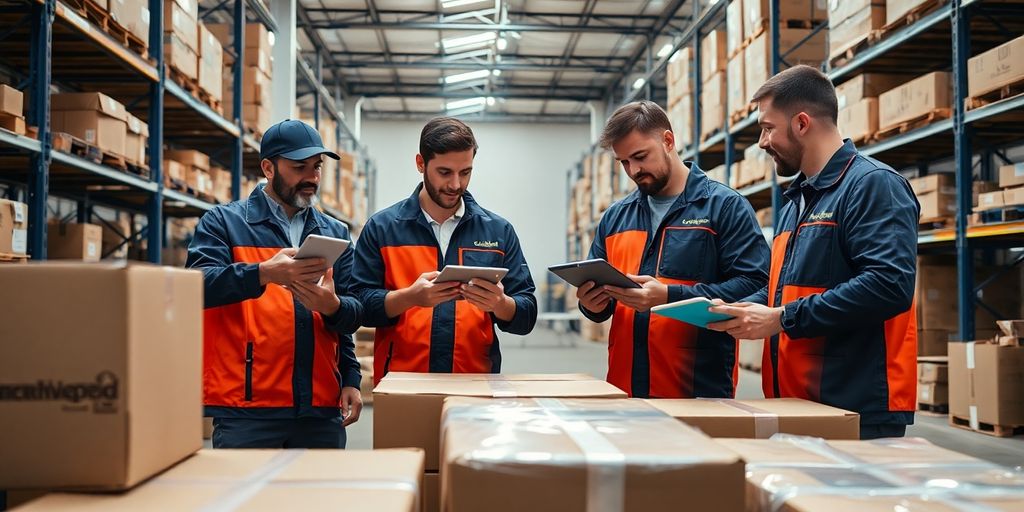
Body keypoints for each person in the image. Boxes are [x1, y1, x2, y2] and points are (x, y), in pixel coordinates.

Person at [707, 65, 919, 440]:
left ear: (802, 123)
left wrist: (782, 318)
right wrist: (738, 307)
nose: (761, 141)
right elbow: (785, 289)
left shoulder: (873, 186)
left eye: (768, 127)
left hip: (855, 408)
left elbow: (889, 285)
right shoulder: (797, 200)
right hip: (797, 402)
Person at [187, 119, 363, 448]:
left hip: (320, 411)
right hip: (248, 410)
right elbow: (197, 286)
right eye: (299, 167)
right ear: (268, 168)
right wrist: (263, 274)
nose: (311, 178)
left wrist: (349, 372)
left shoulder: (335, 233)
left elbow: (353, 314)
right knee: (247, 501)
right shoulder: (225, 222)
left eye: (317, 167)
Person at [577, 100, 770, 398]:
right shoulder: (615, 217)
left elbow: (755, 284)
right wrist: (592, 304)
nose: (634, 170)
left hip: (698, 390)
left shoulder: (724, 207)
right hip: (625, 389)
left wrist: (668, 296)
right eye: (624, 162)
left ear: (668, 140)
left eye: (640, 156)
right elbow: (600, 299)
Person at [351, 117, 537, 383]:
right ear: (420, 163)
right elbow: (358, 305)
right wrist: (409, 297)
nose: (455, 185)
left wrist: (500, 304)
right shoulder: (382, 229)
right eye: (445, 172)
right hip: (402, 383)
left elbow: (527, 313)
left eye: (466, 172)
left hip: (475, 383)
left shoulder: (498, 231)